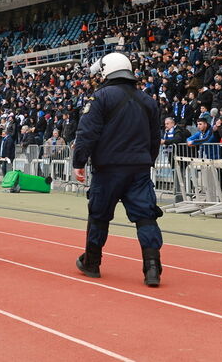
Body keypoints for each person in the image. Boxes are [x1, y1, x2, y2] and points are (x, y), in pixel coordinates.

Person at [72, 52, 165, 287]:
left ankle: (92, 262)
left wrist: (79, 162)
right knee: (146, 217)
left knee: (99, 216)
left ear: (106, 71)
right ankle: (152, 267)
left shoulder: (101, 97)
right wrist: (147, 161)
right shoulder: (148, 100)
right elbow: (155, 137)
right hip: (139, 169)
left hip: (109, 169)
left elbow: (87, 133)